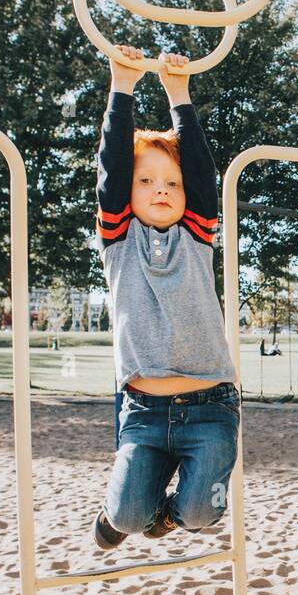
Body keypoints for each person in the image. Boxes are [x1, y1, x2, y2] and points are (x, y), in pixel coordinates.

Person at [90, 44, 241, 551]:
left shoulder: (196, 237)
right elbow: (111, 173)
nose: (162, 189)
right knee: (128, 515)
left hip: (210, 405)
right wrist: (122, 87)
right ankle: (131, 511)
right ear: (128, 194)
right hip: (145, 411)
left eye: (171, 182)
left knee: (201, 513)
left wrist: (180, 96)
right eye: (147, 180)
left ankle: (166, 514)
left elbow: (201, 177)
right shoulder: (119, 241)